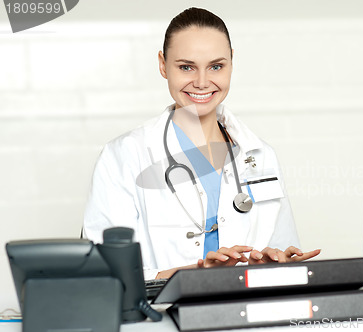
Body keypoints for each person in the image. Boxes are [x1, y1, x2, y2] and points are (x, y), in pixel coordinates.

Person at [83, 7, 320, 280]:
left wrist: (273, 264)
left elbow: (282, 250)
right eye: (186, 67)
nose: (202, 82)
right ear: (162, 64)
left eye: (216, 66)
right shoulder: (123, 156)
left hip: (246, 313)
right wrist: (193, 275)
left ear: (232, 62)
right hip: (163, 315)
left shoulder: (260, 155)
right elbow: (106, 273)